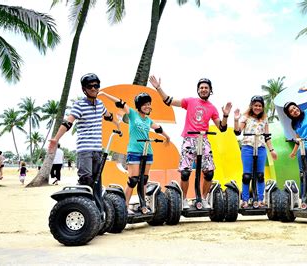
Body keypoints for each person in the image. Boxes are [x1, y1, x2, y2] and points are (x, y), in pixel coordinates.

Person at [149, 75, 232, 209]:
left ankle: (203, 198)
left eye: (206, 87)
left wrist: (226, 115)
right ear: (198, 90)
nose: (204, 89)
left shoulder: (212, 108)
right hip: (190, 139)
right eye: (201, 87)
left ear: (210, 90)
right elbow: (168, 101)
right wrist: (158, 88)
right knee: (185, 172)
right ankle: (183, 199)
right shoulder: (190, 101)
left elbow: (222, 128)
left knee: (209, 172)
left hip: (203, 140)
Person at [99, 91, 171, 214]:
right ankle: (125, 207)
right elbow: (120, 102)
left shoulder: (148, 120)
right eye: (145, 104)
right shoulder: (132, 114)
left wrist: (167, 137)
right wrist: (105, 95)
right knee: (133, 180)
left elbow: (158, 128)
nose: (147, 106)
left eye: (149, 104)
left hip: (147, 152)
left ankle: (143, 205)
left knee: (144, 180)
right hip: (134, 152)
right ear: (139, 106)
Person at [48, 73, 118, 188]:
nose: (93, 88)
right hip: (85, 150)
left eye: (96, 86)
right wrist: (56, 139)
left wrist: (118, 124)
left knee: (97, 183)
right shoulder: (79, 105)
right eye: (90, 86)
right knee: (86, 181)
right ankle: (82, 205)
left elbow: (108, 116)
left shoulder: (100, 104)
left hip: (97, 150)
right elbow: (68, 123)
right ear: (84, 89)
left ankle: (96, 205)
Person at [233, 95, 277, 208]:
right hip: (248, 146)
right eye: (255, 105)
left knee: (260, 175)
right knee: (247, 175)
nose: (258, 107)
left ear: (262, 107)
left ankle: (260, 199)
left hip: (261, 147)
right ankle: (245, 200)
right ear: (252, 106)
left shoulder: (265, 119)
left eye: (260, 106)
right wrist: (236, 120)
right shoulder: (245, 117)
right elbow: (237, 132)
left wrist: (271, 150)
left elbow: (267, 136)